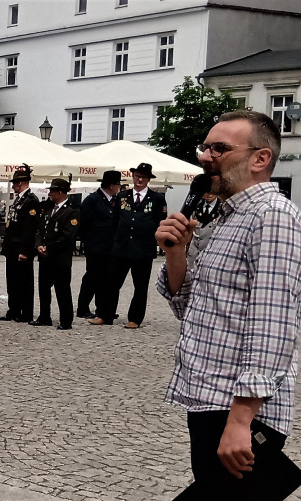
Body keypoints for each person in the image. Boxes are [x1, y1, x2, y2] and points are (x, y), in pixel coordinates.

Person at [155, 110, 301, 494]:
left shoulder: (272, 216)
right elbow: (191, 307)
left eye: (219, 148)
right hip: (209, 398)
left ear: (260, 158)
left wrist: (240, 420)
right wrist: (176, 253)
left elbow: (273, 323)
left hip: (238, 407)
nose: (205, 157)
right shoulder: (227, 217)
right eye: (204, 148)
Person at [90, 163, 166, 329]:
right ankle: (105, 315)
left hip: (142, 249)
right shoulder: (122, 196)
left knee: (140, 287)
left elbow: (159, 222)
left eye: (143, 177)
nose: (140, 180)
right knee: (111, 283)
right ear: (133, 176)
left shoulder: (157, 198)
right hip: (121, 247)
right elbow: (115, 220)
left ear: (148, 179)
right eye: (137, 176)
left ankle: (135, 318)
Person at [31, 179, 79, 330]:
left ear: (60, 192)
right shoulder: (48, 209)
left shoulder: (72, 211)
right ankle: (44, 316)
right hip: (45, 257)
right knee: (44, 288)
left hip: (60, 257)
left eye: (52, 191)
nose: (49, 194)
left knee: (62, 289)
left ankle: (66, 320)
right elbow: (40, 229)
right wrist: (38, 244)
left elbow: (67, 236)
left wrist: (49, 248)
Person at [0, 164, 40, 323]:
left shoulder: (31, 200)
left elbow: (30, 229)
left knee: (24, 281)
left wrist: (25, 250)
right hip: (12, 246)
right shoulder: (19, 200)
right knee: (12, 280)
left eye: (14, 183)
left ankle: (26, 312)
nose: (13, 186)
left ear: (20, 183)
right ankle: (14, 309)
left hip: (21, 247)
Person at [75, 170, 120, 319]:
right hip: (95, 245)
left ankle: (103, 309)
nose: (119, 187)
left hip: (110, 247)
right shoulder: (93, 199)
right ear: (111, 186)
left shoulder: (114, 200)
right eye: (118, 184)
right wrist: (88, 241)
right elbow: (84, 223)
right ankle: (83, 307)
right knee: (92, 276)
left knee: (106, 278)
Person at [186, 191, 220, 269]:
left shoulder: (222, 208)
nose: (209, 195)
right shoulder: (195, 206)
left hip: (212, 251)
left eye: (212, 192)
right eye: (206, 192)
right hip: (194, 251)